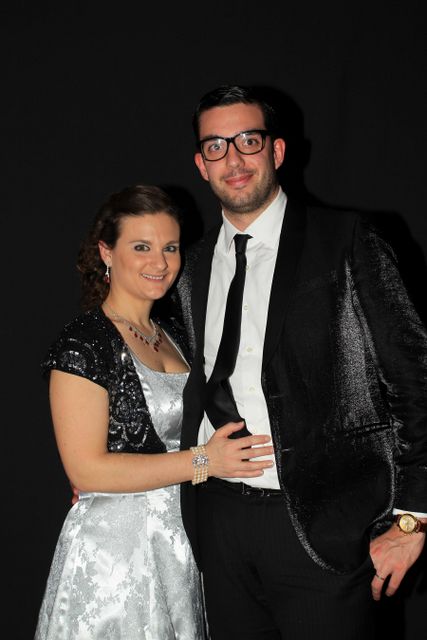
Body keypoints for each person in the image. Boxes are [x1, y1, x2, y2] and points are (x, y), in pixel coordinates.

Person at [175, 85, 427, 639]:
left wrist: (414, 520)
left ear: (277, 150)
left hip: (326, 528)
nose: (233, 159)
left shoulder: (348, 239)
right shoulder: (190, 267)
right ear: (200, 164)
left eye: (248, 140)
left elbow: (417, 382)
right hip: (218, 523)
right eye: (216, 146)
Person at [35, 184, 274, 640]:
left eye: (170, 247)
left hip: (179, 542)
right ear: (106, 252)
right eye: (141, 247)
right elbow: (85, 470)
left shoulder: (176, 333)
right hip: (113, 556)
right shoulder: (83, 343)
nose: (160, 263)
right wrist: (205, 461)